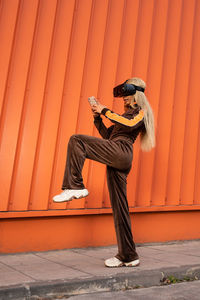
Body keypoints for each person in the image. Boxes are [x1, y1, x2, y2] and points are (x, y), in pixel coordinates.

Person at [53, 77, 155, 267]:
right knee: (120, 209)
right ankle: (129, 255)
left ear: (136, 94)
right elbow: (109, 136)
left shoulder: (141, 112)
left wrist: (105, 110)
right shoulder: (122, 117)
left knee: (77, 140)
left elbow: (130, 126)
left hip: (122, 154)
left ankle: (74, 186)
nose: (123, 98)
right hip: (114, 153)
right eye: (122, 95)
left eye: (126, 94)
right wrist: (97, 117)